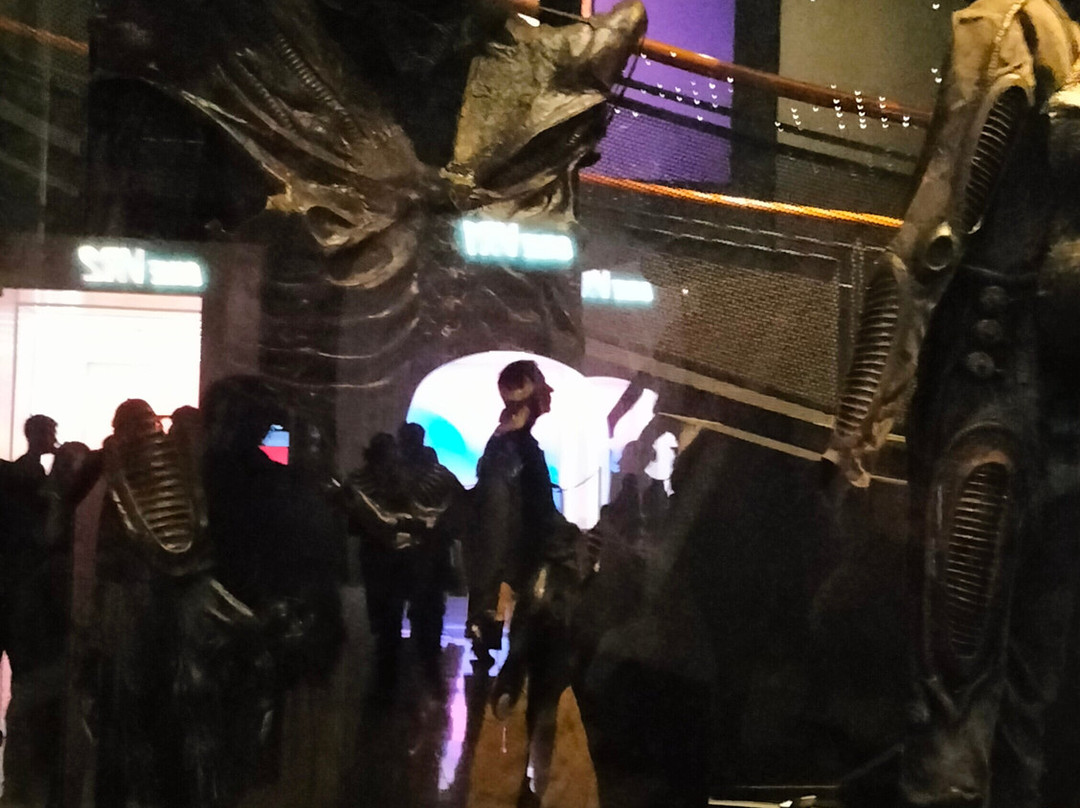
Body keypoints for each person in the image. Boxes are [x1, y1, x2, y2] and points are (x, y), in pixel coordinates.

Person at [467, 359, 584, 801]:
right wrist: (499, 590)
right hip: (534, 577)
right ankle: (524, 782)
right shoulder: (516, 451)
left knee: (529, 667)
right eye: (542, 389)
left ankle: (521, 778)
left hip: (525, 575)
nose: (549, 394)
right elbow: (515, 523)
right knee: (539, 677)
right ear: (529, 397)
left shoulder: (507, 448)